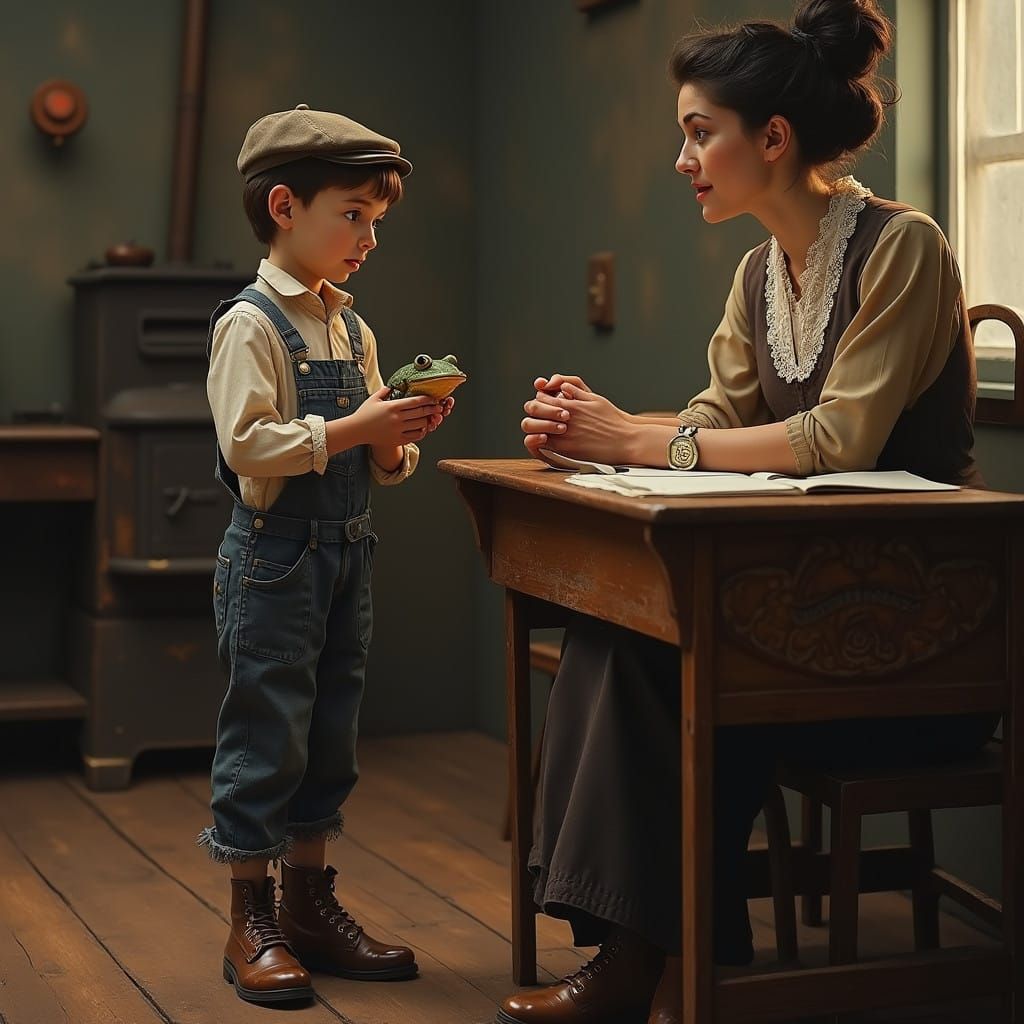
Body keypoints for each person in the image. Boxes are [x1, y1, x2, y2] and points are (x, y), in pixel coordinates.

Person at [498, 3, 998, 1023]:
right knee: (616, 627)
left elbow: (837, 439)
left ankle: (650, 960)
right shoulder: (758, 272)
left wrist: (636, 441)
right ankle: (659, 954)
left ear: (771, 138)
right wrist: (598, 429)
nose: (682, 158)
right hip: (798, 615)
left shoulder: (903, 247)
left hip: (921, 635)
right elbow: (715, 417)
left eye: (698, 132)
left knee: (658, 657)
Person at [198, 105, 454, 1006]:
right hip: (272, 561)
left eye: (375, 221)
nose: (368, 238)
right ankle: (250, 918)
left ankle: (308, 905)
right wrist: (354, 427)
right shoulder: (252, 324)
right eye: (353, 216)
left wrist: (397, 432)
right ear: (284, 208)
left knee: (330, 734)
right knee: (265, 734)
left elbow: (382, 461)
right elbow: (247, 445)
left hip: (346, 555)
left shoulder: (351, 329)